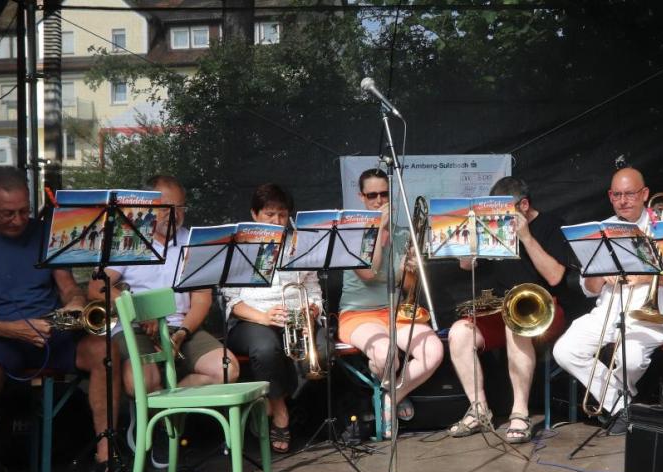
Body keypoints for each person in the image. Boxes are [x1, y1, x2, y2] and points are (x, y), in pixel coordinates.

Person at [91, 175, 238, 465]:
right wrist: (138, 310)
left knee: (227, 370)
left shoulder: (193, 243)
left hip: (181, 326)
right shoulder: (127, 240)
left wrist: (181, 333)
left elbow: (202, 300)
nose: (175, 214)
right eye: (166, 207)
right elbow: (97, 288)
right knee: (141, 381)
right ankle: (159, 423)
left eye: (180, 206)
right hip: (135, 326)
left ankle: (166, 415)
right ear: (148, 208)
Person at [0, 166, 106, 472]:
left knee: (106, 353)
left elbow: (67, 286)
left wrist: (75, 302)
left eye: (24, 211)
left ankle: (106, 457)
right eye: (7, 214)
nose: (19, 220)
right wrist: (11, 329)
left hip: (50, 332)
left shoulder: (47, 232)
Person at [553, 167, 663, 435]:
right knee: (564, 350)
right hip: (607, 313)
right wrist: (601, 276)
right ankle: (621, 404)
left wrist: (647, 277)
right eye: (617, 195)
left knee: (630, 359)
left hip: (650, 318)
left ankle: (618, 407)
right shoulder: (602, 231)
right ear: (610, 196)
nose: (623, 201)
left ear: (645, 194)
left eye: (630, 194)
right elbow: (589, 288)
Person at [447, 176, 569, 444]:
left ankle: (520, 412)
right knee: (459, 333)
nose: (499, 217)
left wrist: (525, 237)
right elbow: (466, 267)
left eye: (505, 211)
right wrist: (468, 248)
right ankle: (479, 409)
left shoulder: (551, 225)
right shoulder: (494, 226)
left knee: (516, 328)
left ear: (524, 205)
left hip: (543, 308)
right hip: (501, 307)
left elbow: (555, 277)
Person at [337, 168, 443, 438]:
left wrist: (411, 270)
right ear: (361, 197)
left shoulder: (403, 234)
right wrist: (379, 229)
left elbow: (408, 288)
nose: (379, 201)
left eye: (384, 194)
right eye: (372, 195)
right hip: (358, 314)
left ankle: (392, 395)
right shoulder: (352, 234)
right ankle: (395, 392)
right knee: (386, 355)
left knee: (433, 350)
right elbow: (369, 274)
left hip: (395, 312)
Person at [222, 183, 322, 453]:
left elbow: (313, 288)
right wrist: (264, 317)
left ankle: (282, 402)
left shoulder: (301, 245)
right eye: (269, 214)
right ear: (254, 214)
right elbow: (232, 301)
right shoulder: (240, 247)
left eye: (282, 214)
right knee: (266, 349)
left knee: (323, 352)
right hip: (251, 320)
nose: (277, 221)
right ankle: (280, 411)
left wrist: (312, 311)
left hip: (295, 316)